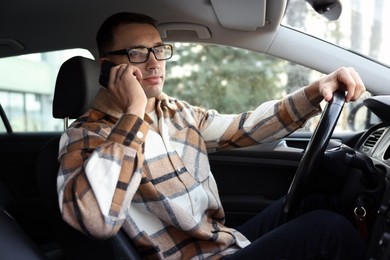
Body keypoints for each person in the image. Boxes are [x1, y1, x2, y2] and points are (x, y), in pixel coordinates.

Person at [57, 12, 367, 259]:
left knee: (317, 202)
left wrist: (316, 92)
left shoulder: (176, 112)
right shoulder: (85, 137)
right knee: (328, 230)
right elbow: (96, 220)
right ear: (107, 67)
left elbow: (245, 128)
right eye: (137, 53)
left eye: (159, 50)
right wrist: (133, 112)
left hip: (219, 244)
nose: (154, 62)